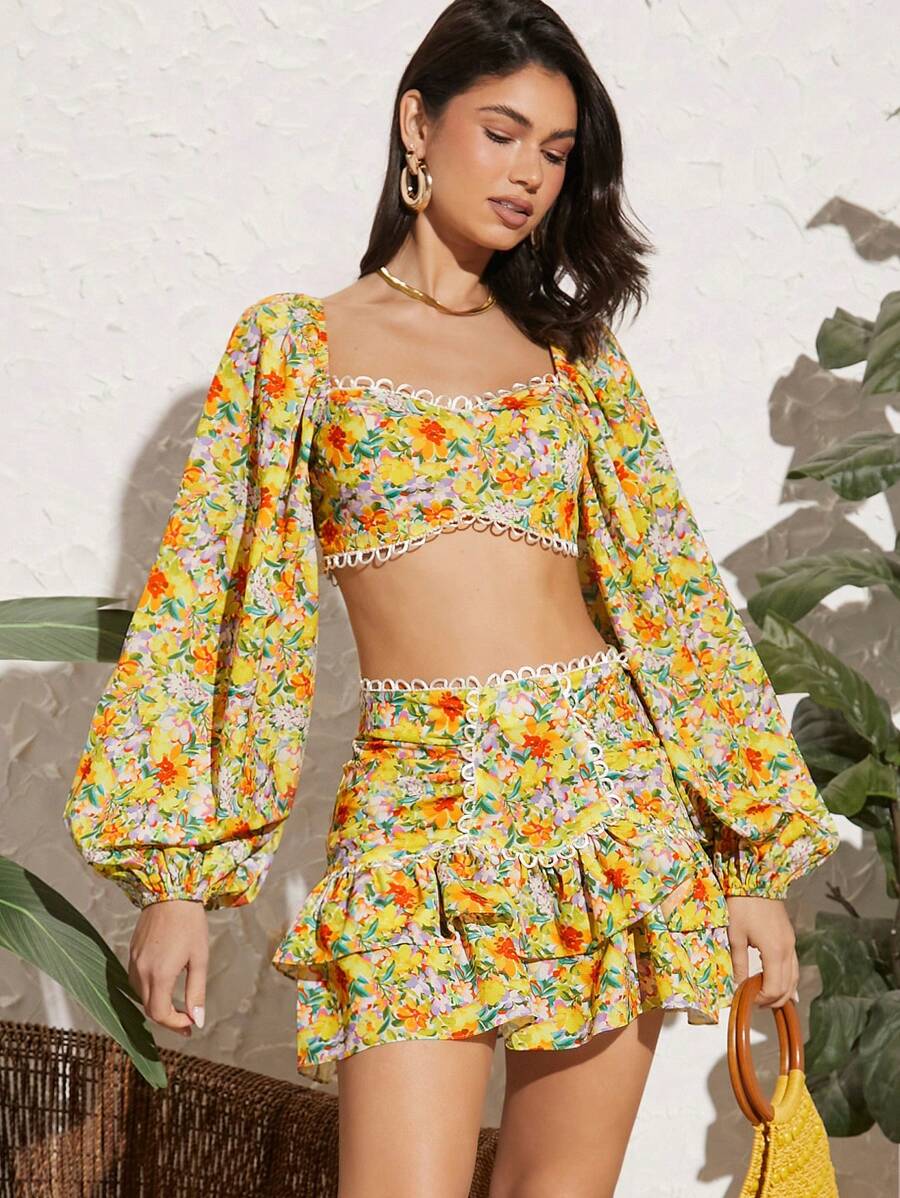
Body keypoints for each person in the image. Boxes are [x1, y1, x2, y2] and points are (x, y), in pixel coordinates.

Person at [63, 2, 841, 1195]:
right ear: (418, 125)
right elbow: (221, 608)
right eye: (503, 132)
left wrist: (751, 864)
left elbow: (672, 599)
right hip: (414, 811)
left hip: (603, 802)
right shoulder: (295, 348)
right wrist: (178, 883)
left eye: (556, 152)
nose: (529, 174)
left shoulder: (575, 359)